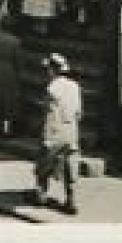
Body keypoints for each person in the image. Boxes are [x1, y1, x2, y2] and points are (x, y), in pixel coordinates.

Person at [33, 53, 82, 214]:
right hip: (71, 132)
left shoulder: (51, 88)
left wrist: (44, 133)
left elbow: (47, 112)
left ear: (52, 70)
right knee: (70, 166)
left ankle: (41, 195)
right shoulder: (75, 87)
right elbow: (79, 113)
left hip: (54, 132)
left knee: (43, 164)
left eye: (48, 69)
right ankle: (71, 200)